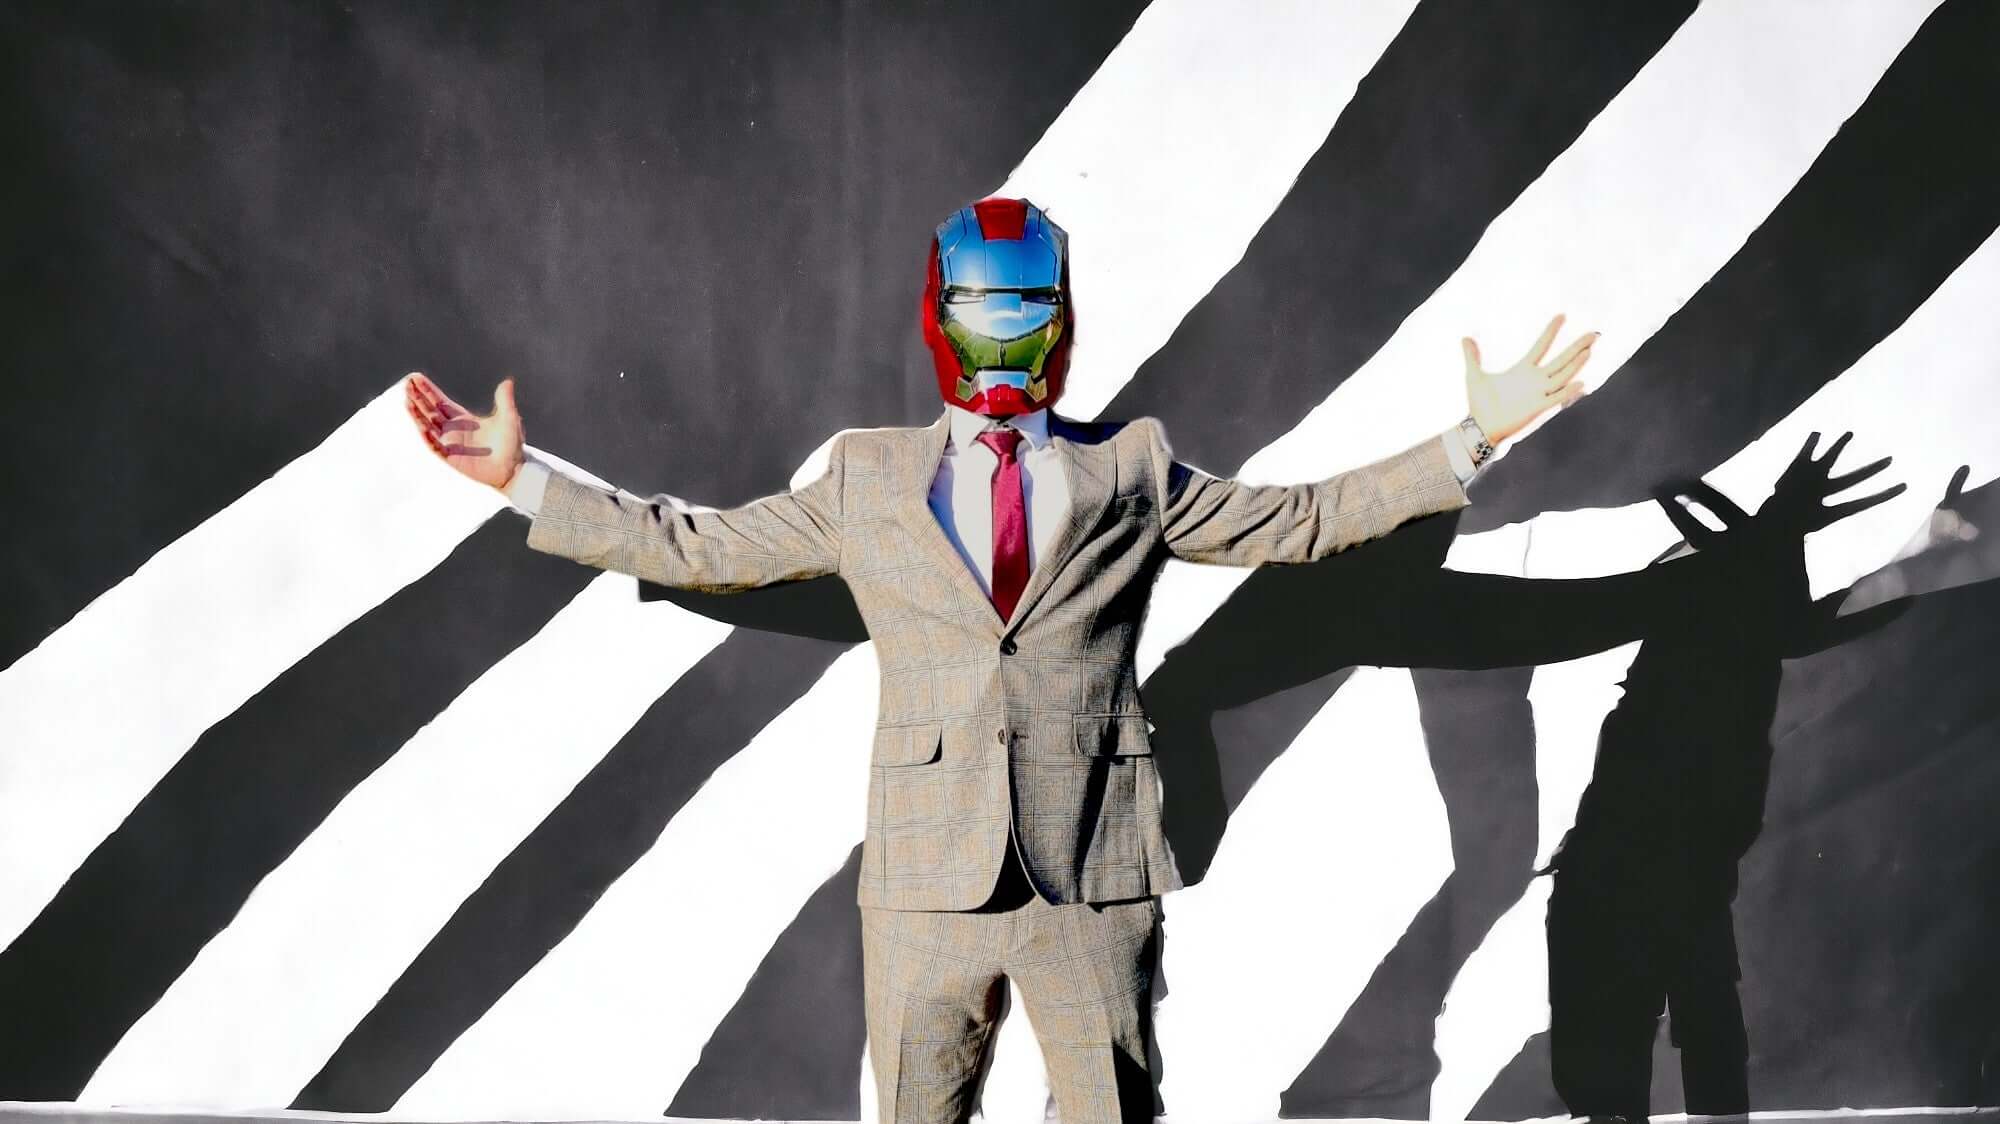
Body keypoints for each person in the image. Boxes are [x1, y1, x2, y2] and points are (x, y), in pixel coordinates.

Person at [403, 196, 1594, 1123]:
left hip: (1093, 876)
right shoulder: (866, 475)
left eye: (1026, 301)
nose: (1006, 325)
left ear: (1061, 312)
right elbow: (696, 545)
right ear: (941, 312)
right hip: (923, 884)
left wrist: (1470, 435)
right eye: (984, 302)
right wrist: (522, 478)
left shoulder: (1131, 464)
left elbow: (1299, 518)